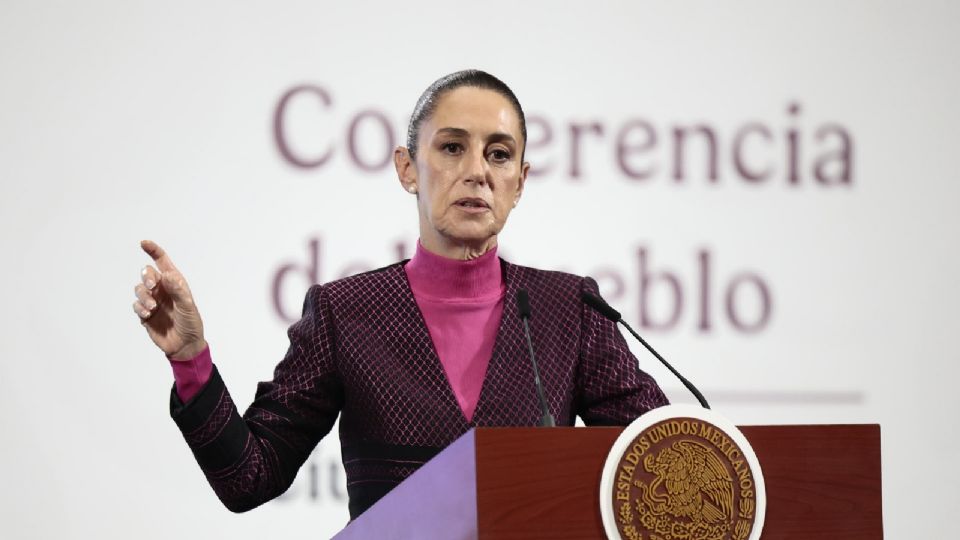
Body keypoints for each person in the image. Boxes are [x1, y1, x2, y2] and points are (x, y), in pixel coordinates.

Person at [132, 70, 669, 520]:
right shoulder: (346, 314)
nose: (477, 171)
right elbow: (250, 476)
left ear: (520, 181)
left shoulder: (568, 311)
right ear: (407, 169)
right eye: (453, 147)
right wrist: (190, 359)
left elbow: (665, 464)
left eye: (499, 154)